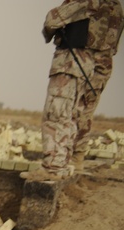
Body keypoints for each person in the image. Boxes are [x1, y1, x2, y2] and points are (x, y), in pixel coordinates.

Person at [38, 0, 123, 177]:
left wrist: (50, 32)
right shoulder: (116, 5)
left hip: (74, 59)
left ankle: (53, 168)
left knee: (58, 112)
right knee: (80, 113)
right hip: (100, 65)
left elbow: (52, 21)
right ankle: (72, 161)